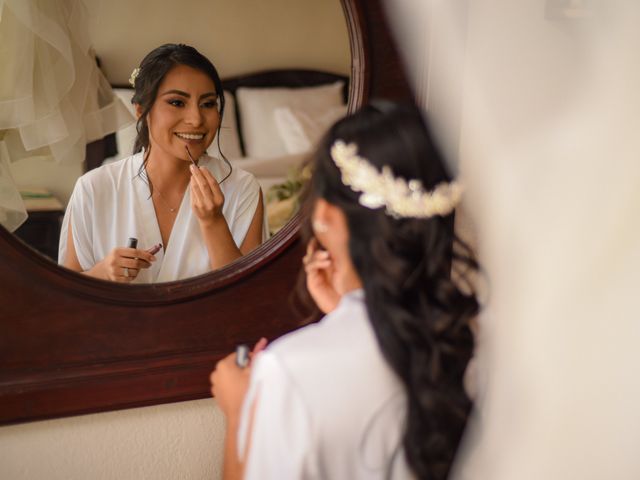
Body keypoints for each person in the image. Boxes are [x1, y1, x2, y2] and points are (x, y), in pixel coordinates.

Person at [210, 102, 480, 479]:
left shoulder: (289, 371)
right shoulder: (470, 339)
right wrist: (343, 312)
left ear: (325, 216)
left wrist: (241, 414)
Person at [59, 43, 266, 283]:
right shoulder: (93, 188)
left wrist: (213, 223)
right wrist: (103, 273)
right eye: (177, 102)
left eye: (208, 104)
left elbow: (247, 295)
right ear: (141, 110)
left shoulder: (242, 188)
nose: (196, 119)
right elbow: (67, 294)